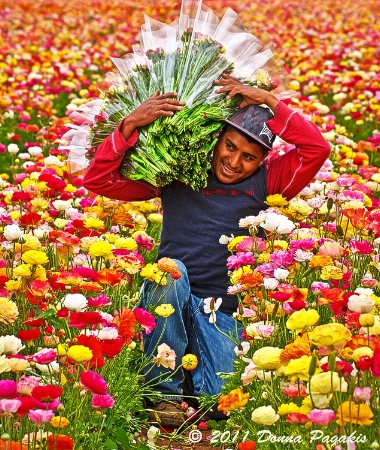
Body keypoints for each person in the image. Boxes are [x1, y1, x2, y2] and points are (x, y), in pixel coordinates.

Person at [83, 74, 331, 427]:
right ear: (217, 140)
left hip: (221, 310)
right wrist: (130, 124)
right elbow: (98, 180)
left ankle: (188, 373)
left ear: (262, 161)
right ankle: (161, 392)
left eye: (249, 156)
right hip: (171, 292)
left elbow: (316, 149)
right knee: (170, 272)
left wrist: (268, 100)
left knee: (221, 403)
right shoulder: (177, 172)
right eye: (229, 146)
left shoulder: (268, 182)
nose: (234, 161)